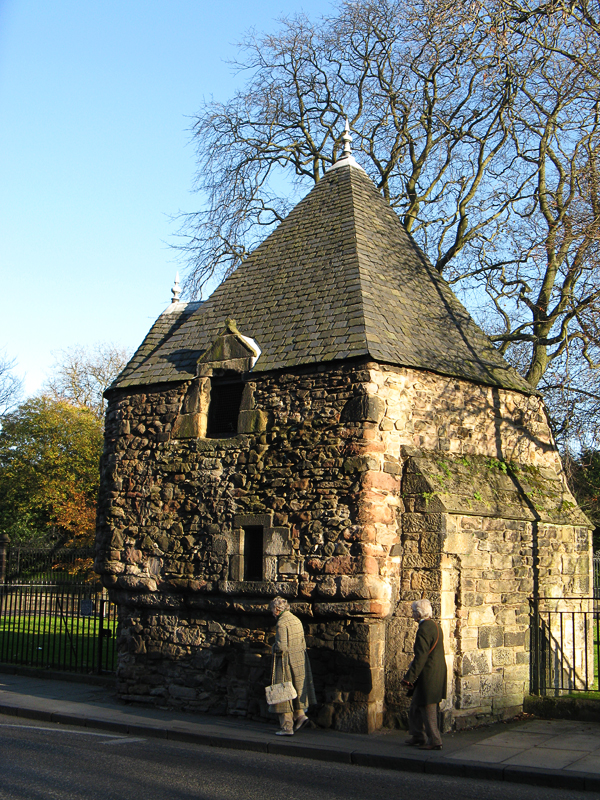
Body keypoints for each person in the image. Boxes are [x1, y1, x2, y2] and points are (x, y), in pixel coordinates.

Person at [401, 598, 447, 750]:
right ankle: (418, 735)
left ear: (419, 614)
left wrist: (409, 677)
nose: (412, 614)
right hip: (435, 670)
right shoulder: (435, 625)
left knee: (428, 706)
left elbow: (421, 656)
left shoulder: (424, 629)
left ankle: (435, 740)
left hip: (428, 674)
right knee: (415, 704)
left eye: (414, 612)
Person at [268, 596, 316, 735]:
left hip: (285, 662)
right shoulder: (296, 620)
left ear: (277, 609)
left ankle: (287, 727)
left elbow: (281, 646)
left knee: (283, 693)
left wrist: (273, 648)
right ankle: (301, 716)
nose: (272, 613)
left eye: (272, 610)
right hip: (299, 660)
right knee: (296, 690)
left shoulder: (281, 623)